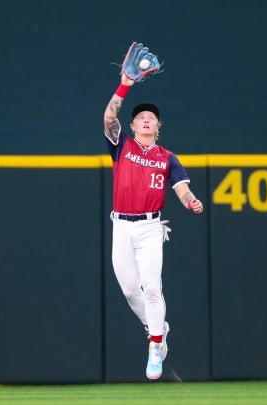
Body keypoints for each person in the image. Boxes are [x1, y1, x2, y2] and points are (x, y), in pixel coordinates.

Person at [103, 71, 204, 380]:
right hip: (121, 225)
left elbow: (182, 189)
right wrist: (125, 85)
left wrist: (190, 201)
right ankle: (156, 326)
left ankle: (156, 344)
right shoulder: (122, 146)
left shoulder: (168, 158)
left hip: (150, 227)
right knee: (130, 288)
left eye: (151, 118)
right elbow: (108, 117)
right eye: (141, 117)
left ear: (158, 127)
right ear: (132, 126)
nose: (146, 120)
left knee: (152, 287)